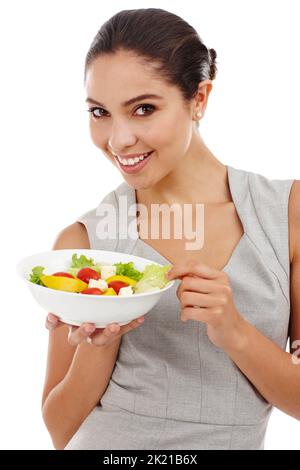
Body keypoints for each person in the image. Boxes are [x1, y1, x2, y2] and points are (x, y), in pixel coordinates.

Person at [41, 8, 300, 450]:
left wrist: (234, 331)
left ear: (199, 98)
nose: (118, 139)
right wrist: (100, 343)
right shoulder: (86, 242)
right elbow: (59, 428)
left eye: (143, 109)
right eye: (99, 111)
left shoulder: (286, 214)